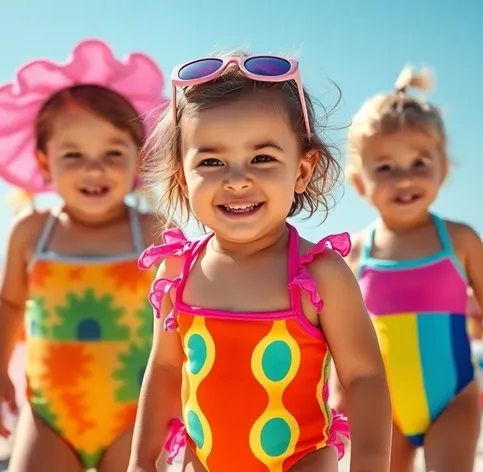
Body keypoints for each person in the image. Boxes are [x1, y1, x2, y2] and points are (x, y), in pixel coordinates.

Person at [128, 52, 392, 472]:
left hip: (300, 461)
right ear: (183, 177)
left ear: (303, 170)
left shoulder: (318, 274)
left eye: (263, 158)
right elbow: (162, 369)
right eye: (211, 162)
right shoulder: (178, 272)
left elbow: (364, 377)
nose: (237, 179)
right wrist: (142, 463)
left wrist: (372, 463)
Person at [0, 39, 168, 472]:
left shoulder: (154, 231)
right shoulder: (32, 232)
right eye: (73, 155)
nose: (94, 168)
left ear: (139, 158)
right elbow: (8, 304)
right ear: (45, 162)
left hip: (135, 416)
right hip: (50, 416)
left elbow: (181, 316)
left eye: (113, 154)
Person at [338, 66, 483, 472]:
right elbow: (341, 336)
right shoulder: (354, 253)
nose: (404, 178)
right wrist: (337, 390)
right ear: (359, 181)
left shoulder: (458, 241)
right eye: (385, 167)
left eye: (419, 162)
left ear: (443, 166)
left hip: (452, 396)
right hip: (382, 405)